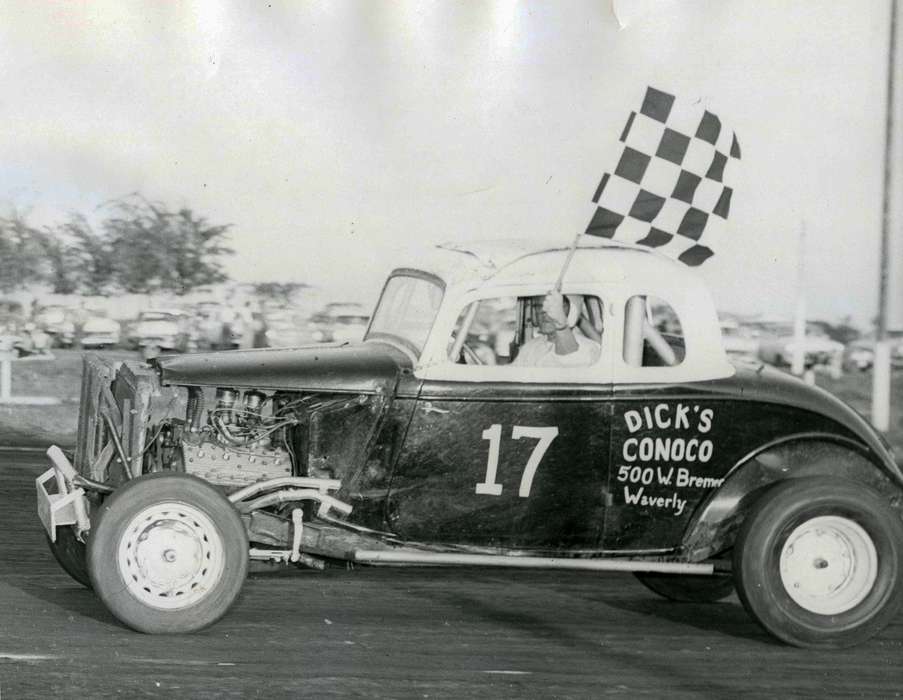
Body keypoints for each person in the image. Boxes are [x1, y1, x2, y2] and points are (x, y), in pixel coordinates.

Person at [513, 292, 601, 367]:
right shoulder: (528, 348)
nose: (543, 312)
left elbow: (570, 358)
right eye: (539, 306)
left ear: (570, 311)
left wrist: (561, 325)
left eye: (552, 307)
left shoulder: (589, 348)